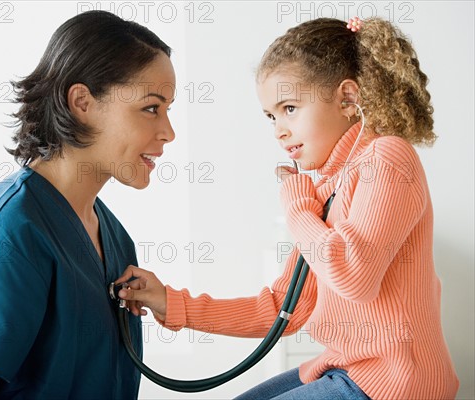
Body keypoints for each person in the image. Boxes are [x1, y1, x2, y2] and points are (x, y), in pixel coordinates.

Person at [115, 17, 459, 399]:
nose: (278, 130)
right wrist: (172, 303)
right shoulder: (325, 189)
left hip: (394, 384)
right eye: (271, 116)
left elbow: (353, 276)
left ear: (347, 99)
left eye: (290, 108)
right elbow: (283, 309)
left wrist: (296, 202)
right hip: (347, 368)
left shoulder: (387, 157)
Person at [0, 10, 175, 399]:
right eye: (151, 108)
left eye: (167, 110)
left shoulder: (115, 239)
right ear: (82, 102)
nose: (168, 132)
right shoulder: (6, 235)